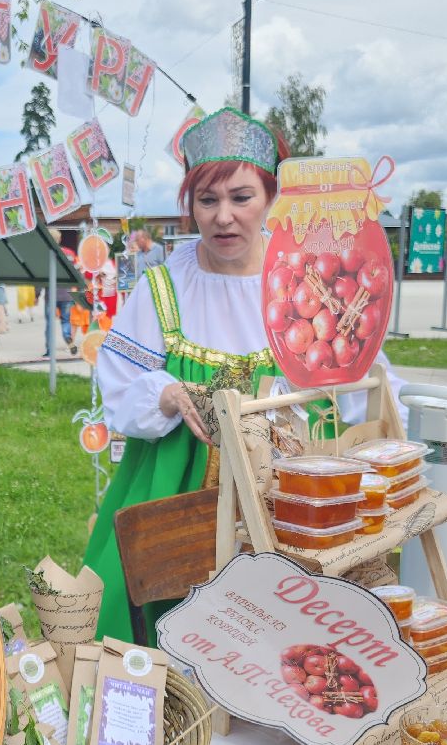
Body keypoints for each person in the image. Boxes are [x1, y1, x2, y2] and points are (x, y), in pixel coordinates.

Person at [83, 108, 292, 644]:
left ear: (269, 198)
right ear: (190, 205)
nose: (224, 217)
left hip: (281, 489)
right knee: (163, 617)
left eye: (241, 198)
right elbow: (122, 387)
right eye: (208, 200)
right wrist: (169, 393)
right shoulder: (162, 288)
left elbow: (346, 384)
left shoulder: (296, 286)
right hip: (175, 489)